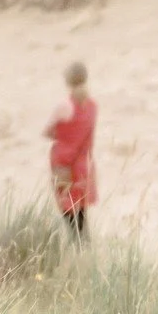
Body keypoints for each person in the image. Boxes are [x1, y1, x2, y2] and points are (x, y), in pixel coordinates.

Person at [45, 60, 98, 235]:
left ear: (68, 80)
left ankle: (77, 253)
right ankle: (85, 253)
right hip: (84, 163)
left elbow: (47, 132)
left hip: (63, 164)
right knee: (82, 214)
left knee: (68, 213)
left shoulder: (63, 106)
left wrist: (63, 137)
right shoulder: (92, 106)